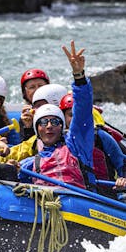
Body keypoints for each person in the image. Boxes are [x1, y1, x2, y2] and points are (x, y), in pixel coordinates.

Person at [18, 41, 96, 189]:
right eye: (43, 123)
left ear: (62, 126)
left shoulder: (76, 144)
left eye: (54, 122)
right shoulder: (30, 163)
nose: (49, 127)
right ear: (37, 129)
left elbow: (83, 110)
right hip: (45, 205)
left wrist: (79, 75)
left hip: (79, 203)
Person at [59, 92, 126, 198]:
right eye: (71, 115)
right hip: (74, 196)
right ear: (63, 118)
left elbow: (124, 167)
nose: (77, 119)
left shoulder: (101, 137)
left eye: (80, 115)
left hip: (105, 196)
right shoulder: (59, 140)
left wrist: (124, 181)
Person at [19, 68, 49, 140]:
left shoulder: (59, 107)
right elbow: (26, 147)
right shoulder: (26, 117)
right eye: (32, 87)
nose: (37, 90)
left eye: (40, 86)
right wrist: (28, 127)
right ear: (25, 93)